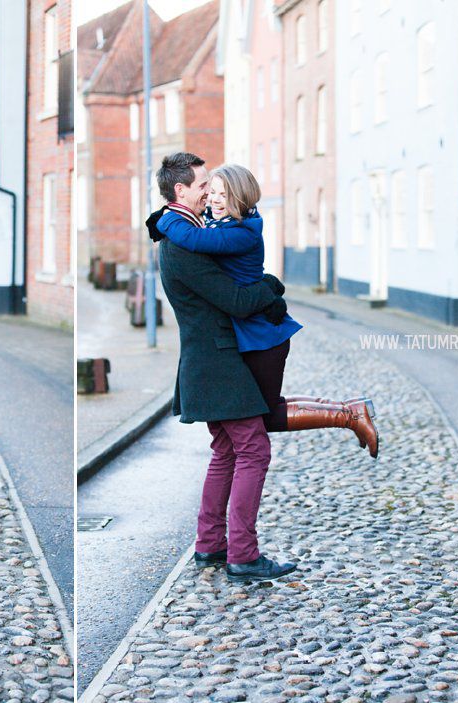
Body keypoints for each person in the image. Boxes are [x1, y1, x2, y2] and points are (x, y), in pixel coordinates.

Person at [153, 163, 378, 458]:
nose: (212, 197)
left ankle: (349, 415)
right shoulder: (220, 221)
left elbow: (197, 241)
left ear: (241, 198)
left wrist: (164, 219)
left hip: (261, 332)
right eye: (210, 189)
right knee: (265, 408)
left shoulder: (239, 231)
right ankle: (350, 411)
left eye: (222, 192)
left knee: (266, 413)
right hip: (251, 332)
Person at [151, 152, 298, 583]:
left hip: (209, 360)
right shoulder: (182, 243)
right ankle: (243, 555)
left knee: (227, 452)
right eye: (202, 186)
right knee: (253, 450)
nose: (208, 194)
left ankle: (211, 545)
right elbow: (235, 300)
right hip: (216, 362)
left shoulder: (185, 231)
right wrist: (271, 285)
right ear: (181, 191)